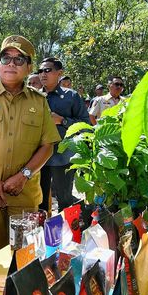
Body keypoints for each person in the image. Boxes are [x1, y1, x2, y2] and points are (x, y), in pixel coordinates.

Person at [0, 37, 59, 250]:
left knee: (24, 257)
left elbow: (48, 145)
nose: (11, 64)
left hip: (24, 195)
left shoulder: (39, 102)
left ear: (29, 68)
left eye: (19, 60)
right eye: (5, 58)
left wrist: (23, 176)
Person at [38, 58, 89, 214]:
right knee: (39, 202)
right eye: (40, 71)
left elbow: (86, 125)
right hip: (38, 158)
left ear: (59, 73)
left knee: (65, 201)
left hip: (62, 158)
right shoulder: (34, 96)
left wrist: (63, 120)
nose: (43, 74)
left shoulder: (71, 97)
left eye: (47, 70)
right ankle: (42, 235)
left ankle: (66, 236)